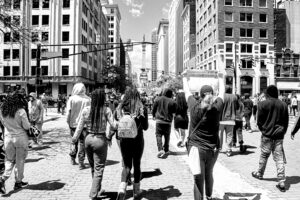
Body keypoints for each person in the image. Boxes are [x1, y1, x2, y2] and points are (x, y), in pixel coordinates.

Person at [71, 89, 117, 200]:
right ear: (102, 98)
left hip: (88, 139)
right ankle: (93, 194)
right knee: (99, 168)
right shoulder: (106, 110)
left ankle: (98, 189)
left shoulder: (86, 110)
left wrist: (74, 140)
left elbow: (79, 127)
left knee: (93, 167)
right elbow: (114, 125)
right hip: (100, 140)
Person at [183, 78, 224, 200]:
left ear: (200, 96)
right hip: (212, 149)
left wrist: (185, 78)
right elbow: (222, 93)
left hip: (195, 148)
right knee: (209, 173)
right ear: (213, 95)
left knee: (198, 179)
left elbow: (186, 92)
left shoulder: (194, 107)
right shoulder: (217, 109)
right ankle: (209, 196)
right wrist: (221, 78)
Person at [252, 85, 289, 192]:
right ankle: (281, 180)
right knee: (279, 158)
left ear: (267, 93)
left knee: (264, 155)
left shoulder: (262, 104)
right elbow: (286, 122)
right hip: (279, 135)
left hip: (267, 135)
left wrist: (263, 130)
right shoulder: (283, 105)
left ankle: (259, 173)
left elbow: (259, 121)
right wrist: (283, 132)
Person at [116, 88, 149, 200]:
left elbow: (117, 122)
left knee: (126, 165)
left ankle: (122, 188)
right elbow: (145, 127)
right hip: (138, 139)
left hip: (124, 139)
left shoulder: (120, 107)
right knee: (137, 164)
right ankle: (136, 190)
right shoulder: (141, 108)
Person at [0, 93, 31, 194]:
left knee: (9, 160)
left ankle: (3, 178)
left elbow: (3, 123)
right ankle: (18, 181)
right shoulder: (21, 111)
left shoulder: (2, 110)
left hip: (8, 138)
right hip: (20, 138)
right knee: (20, 160)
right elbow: (26, 126)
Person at [66, 83, 91, 169]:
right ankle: (81, 162)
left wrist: (68, 122)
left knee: (73, 142)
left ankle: (72, 158)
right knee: (82, 143)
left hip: (73, 124)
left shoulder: (72, 99)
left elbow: (68, 112)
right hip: (84, 125)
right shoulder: (88, 99)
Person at [152, 88, 177, 158]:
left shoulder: (158, 99)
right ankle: (166, 149)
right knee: (167, 136)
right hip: (168, 121)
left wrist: (154, 115)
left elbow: (154, 108)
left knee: (158, 135)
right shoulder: (173, 101)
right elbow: (174, 112)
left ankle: (160, 149)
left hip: (159, 120)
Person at [219, 86, 238, 157]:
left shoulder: (222, 96)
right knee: (229, 135)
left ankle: (219, 148)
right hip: (231, 119)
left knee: (219, 134)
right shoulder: (235, 97)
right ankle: (229, 149)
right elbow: (238, 107)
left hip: (221, 119)